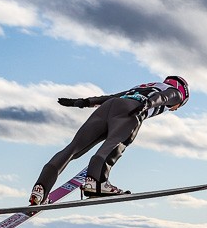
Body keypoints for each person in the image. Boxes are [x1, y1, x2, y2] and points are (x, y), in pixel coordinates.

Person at [29, 75, 189, 205]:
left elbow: (112, 97)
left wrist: (84, 102)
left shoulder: (144, 86)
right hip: (132, 110)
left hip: (108, 107)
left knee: (73, 148)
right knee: (115, 143)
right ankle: (96, 182)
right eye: (179, 106)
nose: (175, 108)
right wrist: (148, 104)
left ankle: (40, 189)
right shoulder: (176, 93)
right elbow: (163, 97)